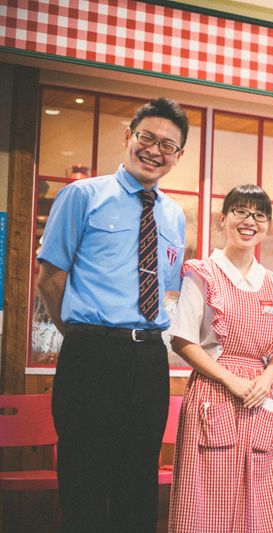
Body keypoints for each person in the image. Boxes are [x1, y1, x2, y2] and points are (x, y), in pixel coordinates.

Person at [36, 97, 188, 532]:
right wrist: (83, 335)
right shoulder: (82, 196)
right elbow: (50, 279)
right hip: (91, 353)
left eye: (167, 145)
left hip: (149, 358)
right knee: (83, 477)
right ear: (128, 136)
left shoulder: (174, 214)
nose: (154, 151)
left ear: (178, 156)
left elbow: (166, 288)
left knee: (138, 480)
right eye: (147, 138)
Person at [168, 185, 273, 532]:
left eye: (259, 215)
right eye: (240, 211)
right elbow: (182, 340)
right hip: (215, 390)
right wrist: (230, 379)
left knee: (261, 499)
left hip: (260, 394)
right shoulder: (203, 273)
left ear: (267, 226)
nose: (249, 221)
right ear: (222, 219)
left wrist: (266, 380)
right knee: (209, 499)